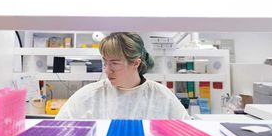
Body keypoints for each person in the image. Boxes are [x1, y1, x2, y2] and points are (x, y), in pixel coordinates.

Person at [56, 32, 190, 119]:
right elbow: (58, 130)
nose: (107, 70)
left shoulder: (162, 96)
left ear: (136, 63)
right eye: (105, 62)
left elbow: (188, 133)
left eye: (114, 63)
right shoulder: (89, 95)